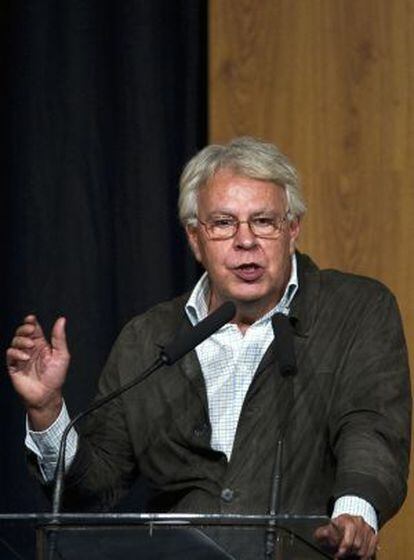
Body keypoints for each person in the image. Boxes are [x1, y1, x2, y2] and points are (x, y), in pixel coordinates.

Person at [7, 137, 411, 559]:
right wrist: (47, 410)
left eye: (264, 221)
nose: (245, 240)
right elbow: (92, 490)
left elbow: (371, 425)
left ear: (293, 230)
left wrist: (355, 511)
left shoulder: (355, 310)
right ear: (195, 238)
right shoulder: (148, 339)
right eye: (223, 223)